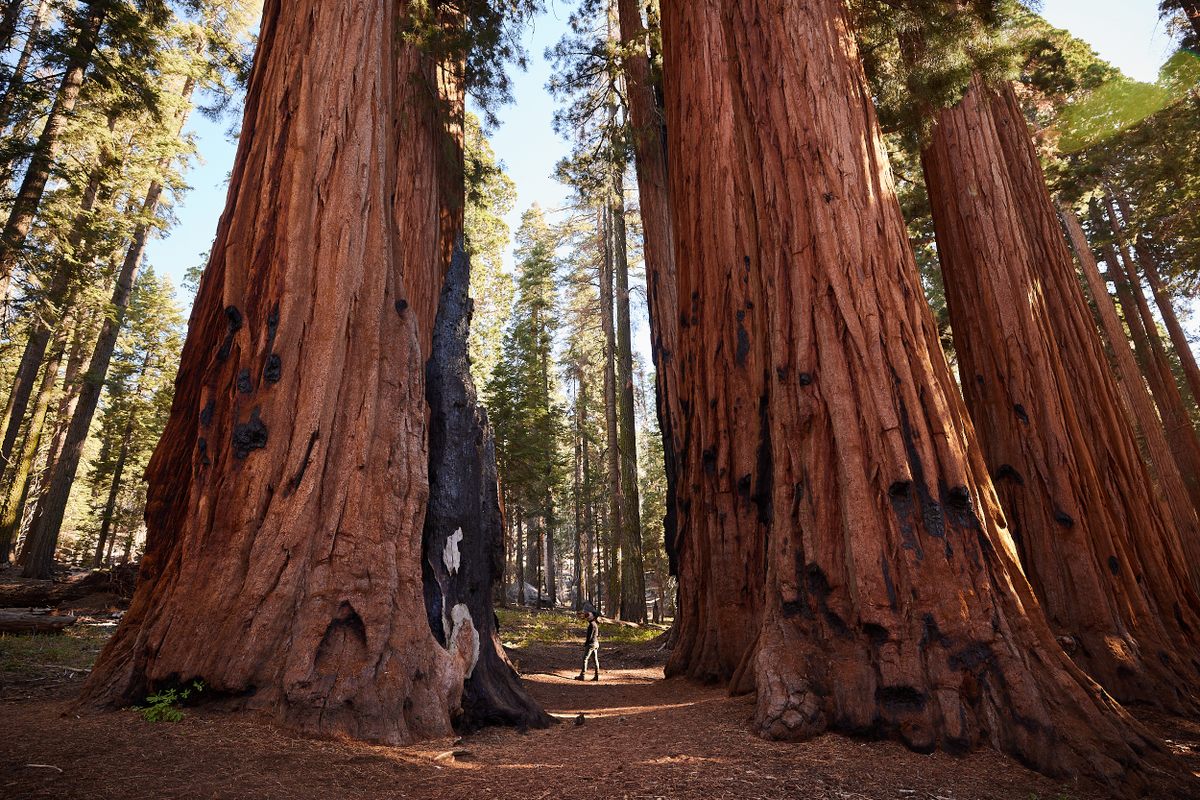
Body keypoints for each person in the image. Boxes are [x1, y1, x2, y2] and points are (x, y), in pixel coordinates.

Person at [575, 608, 601, 681]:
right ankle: (596, 676)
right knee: (595, 660)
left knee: (585, 659)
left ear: (593, 617)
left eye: (589, 615)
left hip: (591, 644)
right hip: (595, 643)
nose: (587, 616)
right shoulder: (594, 624)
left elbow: (590, 637)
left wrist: (586, 644)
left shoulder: (592, 625)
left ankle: (582, 675)